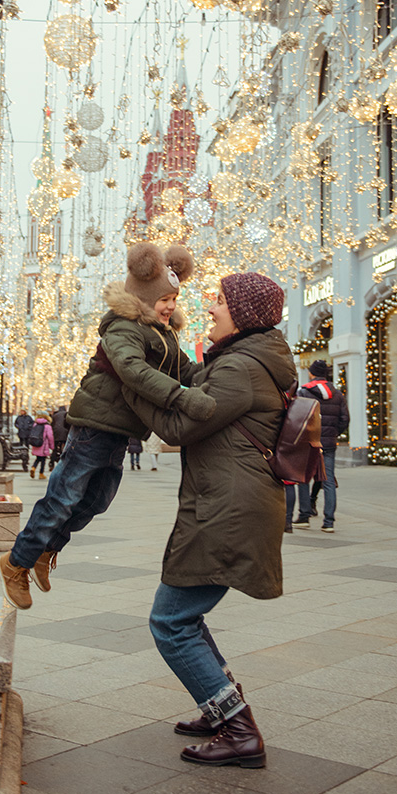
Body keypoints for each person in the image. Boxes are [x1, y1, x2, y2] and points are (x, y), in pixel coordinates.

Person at [122, 271, 296, 768]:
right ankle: (217, 705)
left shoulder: (240, 368)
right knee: (185, 615)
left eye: (219, 301)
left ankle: (237, 727)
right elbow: (186, 386)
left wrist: (128, 380)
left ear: (243, 313)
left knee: (169, 622)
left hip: (228, 510)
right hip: (228, 503)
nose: (211, 308)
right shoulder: (246, 359)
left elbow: (178, 426)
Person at [0, 242, 214, 610]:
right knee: (63, 497)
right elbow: (133, 369)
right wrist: (180, 396)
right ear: (143, 296)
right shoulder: (123, 327)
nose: (171, 306)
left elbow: (185, 370)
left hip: (120, 429)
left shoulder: (163, 334)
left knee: (97, 500)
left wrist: (219, 372)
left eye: (174, 298)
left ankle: (45, 550)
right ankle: (15, 562)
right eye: (164, 298)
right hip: (94, 424)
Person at [291, 360, 349, 532]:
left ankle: (304, 516)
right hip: (329, 443)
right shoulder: (338, 394)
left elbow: (298, 416)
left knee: (303, 478)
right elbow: (345, 419)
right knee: (329, 480)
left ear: (311, 373)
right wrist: (333, 433)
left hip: (309, 441)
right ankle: (329, 521)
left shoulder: (304, 392)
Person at [29, 413, 54, 478]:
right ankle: (41, 473)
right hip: (43, 445)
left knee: (38, 458)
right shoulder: (47, 426)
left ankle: (33, 468)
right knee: (43, 459)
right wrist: (52, 446)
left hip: (36, 444)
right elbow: (50, 437)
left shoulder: (35, 424)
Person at [50, 405, 68, 470]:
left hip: (56, 433)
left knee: (54, 449)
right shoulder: (66, 414)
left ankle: (51, 463)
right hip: (65, 433)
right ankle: (62, 463)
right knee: (64, 448)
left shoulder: (55, 415)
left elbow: (52, 424)